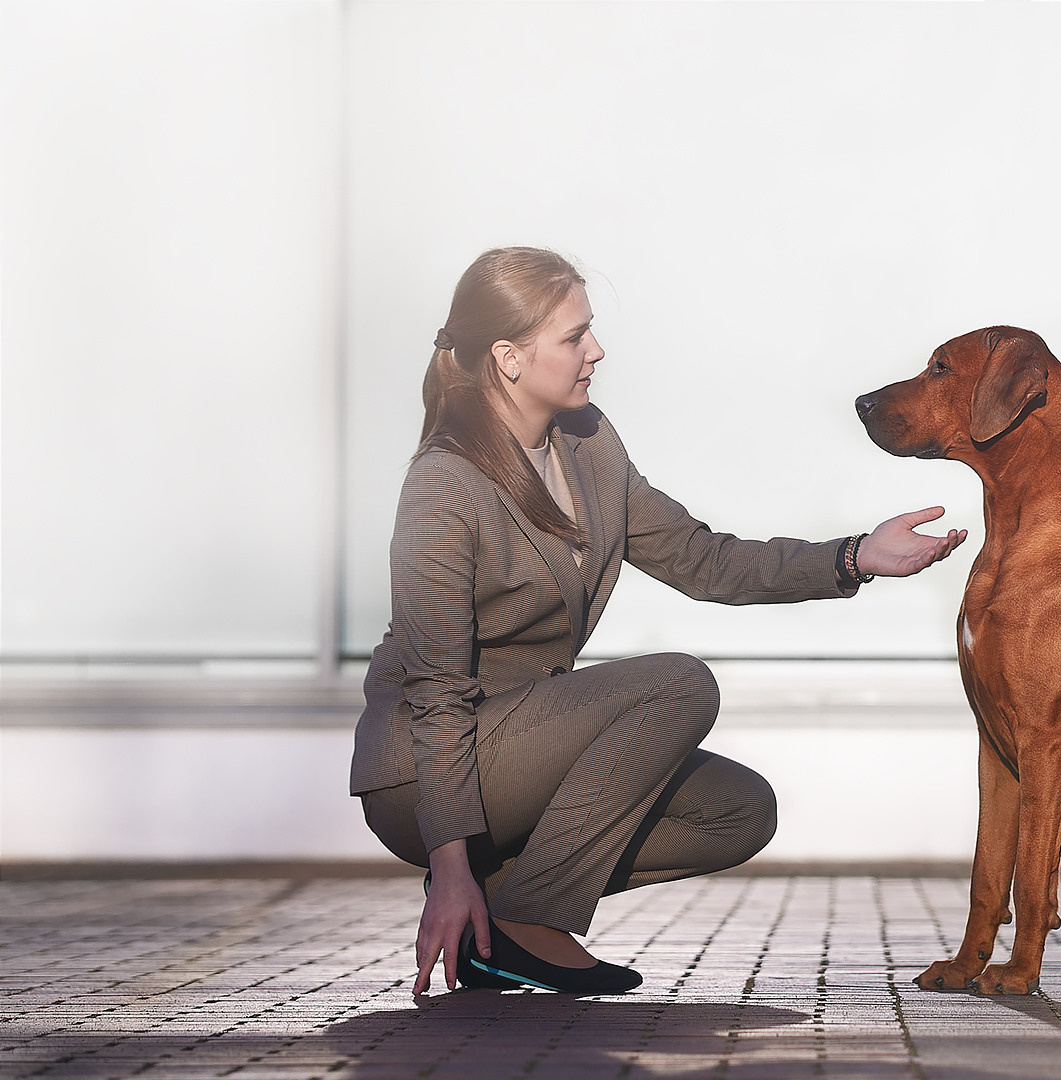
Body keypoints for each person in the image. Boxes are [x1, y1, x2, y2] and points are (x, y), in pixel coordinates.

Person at [350, 247, 966, 996]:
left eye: (591, 331)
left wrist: (854, 557)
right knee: (677, 684)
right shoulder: (445, 483)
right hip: (423, 772)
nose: (596, 351)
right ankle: (531, 923)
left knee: (737, 811)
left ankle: (502, 919)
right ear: (509, 358)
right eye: (574, 337)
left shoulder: (587, 443)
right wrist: (448, 869)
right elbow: (438, 690)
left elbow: (701, 559)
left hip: (519, 752)